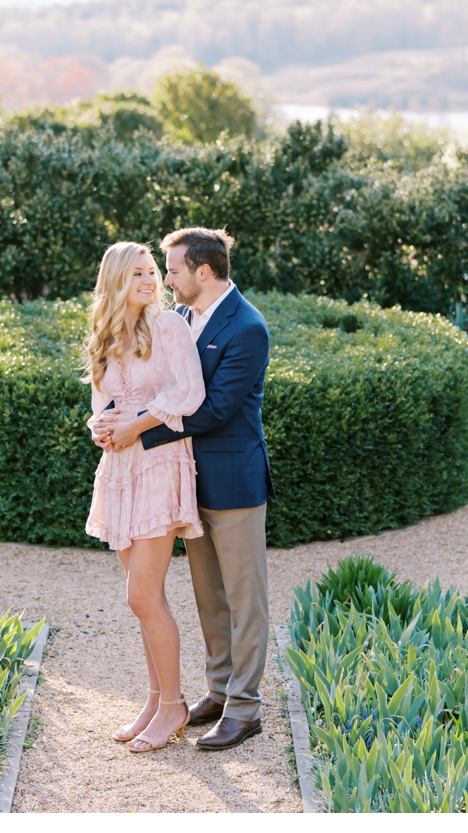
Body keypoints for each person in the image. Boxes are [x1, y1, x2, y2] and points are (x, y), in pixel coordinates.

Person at [96, 226, 274, 752]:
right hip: (186, 479)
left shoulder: (247, 327)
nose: (165, 278)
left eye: (171, 270)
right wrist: (114, 423)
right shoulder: (179, 319)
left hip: (234, 479)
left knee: (246, 601)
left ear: (203, 271)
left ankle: (246, 709)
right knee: (208, 598)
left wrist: (138, 430)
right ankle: (219, 692)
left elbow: (213, 408)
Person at [83, 240, 206, 753]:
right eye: (137, 274)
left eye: (153, 271)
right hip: (119, 468)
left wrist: (136, 426)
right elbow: (100, 402)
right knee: (142, 600)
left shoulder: (169, 327)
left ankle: (175, 705)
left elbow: (189, 394)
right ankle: (155, 700)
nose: (150, 281)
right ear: (115, 281)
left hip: (159, 464)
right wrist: (101, 426)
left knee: (142, 594)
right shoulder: (107, 335)